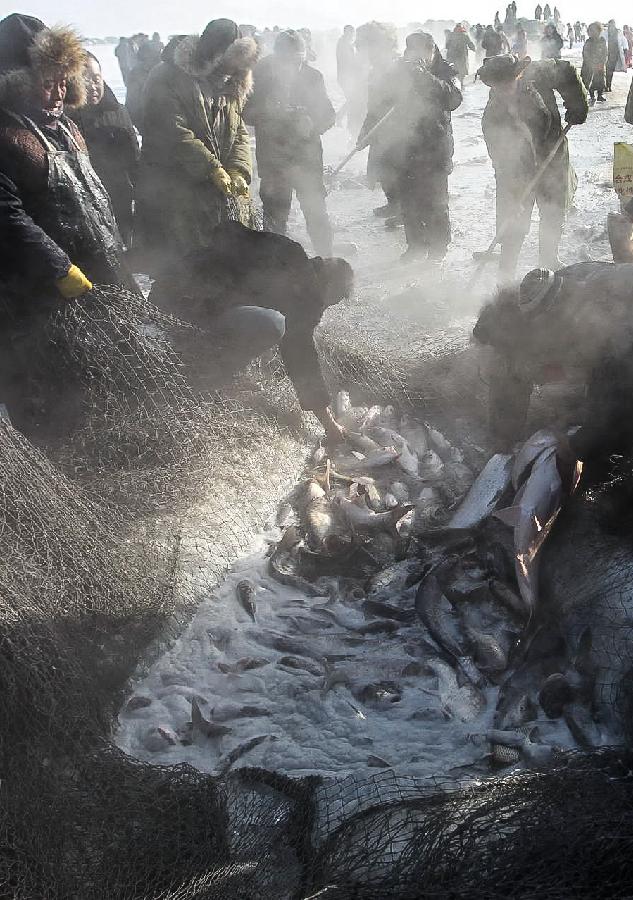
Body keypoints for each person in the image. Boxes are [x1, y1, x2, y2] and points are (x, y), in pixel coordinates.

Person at [0, 15, 136, 428]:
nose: (60, 92)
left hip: (95, 275)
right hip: (35, 293)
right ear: (17, 81)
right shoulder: (7, 135)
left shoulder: (67, 128)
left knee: (100, 379)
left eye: (65, 80)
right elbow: (7, 215)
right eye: (48, 81)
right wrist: (59, 268)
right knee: (49, 392)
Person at [149, 220, 354, 440]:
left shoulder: (290, 252)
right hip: (188, 305)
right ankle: (209, 377)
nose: (324, 308)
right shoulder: (304, 292)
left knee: (264, 321)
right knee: (272, 324)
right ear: (330, 286)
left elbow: (227, 230)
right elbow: (302, 360)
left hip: (167, 293)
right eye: (332, 301)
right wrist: (329, 424)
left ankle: (211, 367)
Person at [473, 263, 633, 455]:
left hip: (618, 365)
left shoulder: (605, 325)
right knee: (508, 367)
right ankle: (505, 438)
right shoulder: (538, 294)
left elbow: (616, 403)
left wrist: (578, 445)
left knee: (607, 423)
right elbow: (492, 322)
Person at [139, 19, 257, 262]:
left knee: (221, 262)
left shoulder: (231, 81)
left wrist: (237, 168)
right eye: (227, 64)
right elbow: (172, 132)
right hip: (175, 191)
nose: (230, 73)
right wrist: (212, 168)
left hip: (214, 196)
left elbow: (239, 132)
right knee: (181, 266)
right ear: (213, 54)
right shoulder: (169, 76)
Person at [243, 29, 335, 257]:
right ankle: (273, 267)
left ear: (303, 56)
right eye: (286, 61)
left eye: (297, 61)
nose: (292, 67)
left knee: (316, 212)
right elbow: (245, 112)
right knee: (275, 215)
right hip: (274, 159)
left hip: (307, 158)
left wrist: (312, 124)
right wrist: (268, 112)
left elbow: (328, 115)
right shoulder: (259, 75)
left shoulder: (313, 77)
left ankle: (325, 259)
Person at [383, 31, 462, 263]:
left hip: (436, 146)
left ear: (433, 50)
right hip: (405, 145)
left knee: (436, 201)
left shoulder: (446, 70)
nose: (419, 57)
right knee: (408, 200)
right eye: (413, 52)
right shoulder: (400, 70)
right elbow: (383, 101)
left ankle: (438, 248)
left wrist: (423, 76)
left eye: (424, 52)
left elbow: (454, 99)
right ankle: (415, 245)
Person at [68, 52, 139, 246]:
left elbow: (134, 159)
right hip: (83, 207)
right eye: (85, 80)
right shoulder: (65, 118)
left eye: (96, 79)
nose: (92, 86)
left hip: (118, 198)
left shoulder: (118, 111)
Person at [124, 39, 161, 129]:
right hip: (148, 124)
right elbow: (132, 103)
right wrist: (142, 125)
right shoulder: (137, 74)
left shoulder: (162, 70)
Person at [336, 25, 363, 135]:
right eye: (352, 33)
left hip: (346, 76)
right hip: (346, 76)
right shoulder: (344, 45)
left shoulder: (344, 43)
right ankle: (339, 117)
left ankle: (340, 118)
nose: (353, 35)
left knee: (352, 99)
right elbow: (349, 61)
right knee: (352, 99)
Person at [582, 23, 607, 104]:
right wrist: (590, 62)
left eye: (594, 30)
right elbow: (585, 53)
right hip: (589, 65)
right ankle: (591, 95)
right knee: (588, 80)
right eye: (591, 31)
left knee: (600, 80)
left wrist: (602, 62)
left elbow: (605, 52)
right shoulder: (589, 41)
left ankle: (600, 94)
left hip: (599, 64)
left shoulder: (602, 40)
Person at [445, 24, 475, 89]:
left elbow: (447, 46)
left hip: (452, 56)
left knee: (452, 71)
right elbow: (470, 44)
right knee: (461, 72)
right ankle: (461, 85)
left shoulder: (451, 35)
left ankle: (452, 86)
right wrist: (474, 49)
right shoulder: (465, 35)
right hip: (462, 57)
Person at [606, 20, 624, 92]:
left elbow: (623, 40)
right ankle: (607, 85)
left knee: (610, 71)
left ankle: (608, 85)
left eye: (612, 25)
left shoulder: (618, 32)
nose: (611, 27)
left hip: (615, 54)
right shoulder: (606, 32)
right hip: (607, 54)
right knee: (607, 71)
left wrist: (625, 49)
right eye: (610, 25)